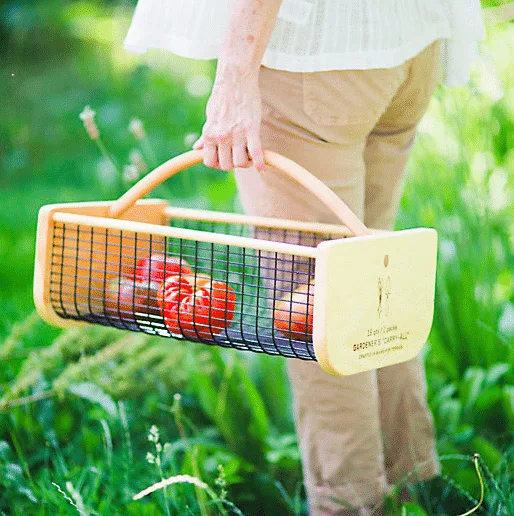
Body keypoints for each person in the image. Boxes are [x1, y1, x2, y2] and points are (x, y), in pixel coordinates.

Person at [123, 1, 485, 514]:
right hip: (406, 44)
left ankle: (349, 504)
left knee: (313, 308)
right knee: (368, 282)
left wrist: (235, 74)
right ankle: (417, 488)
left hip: (314, 57)